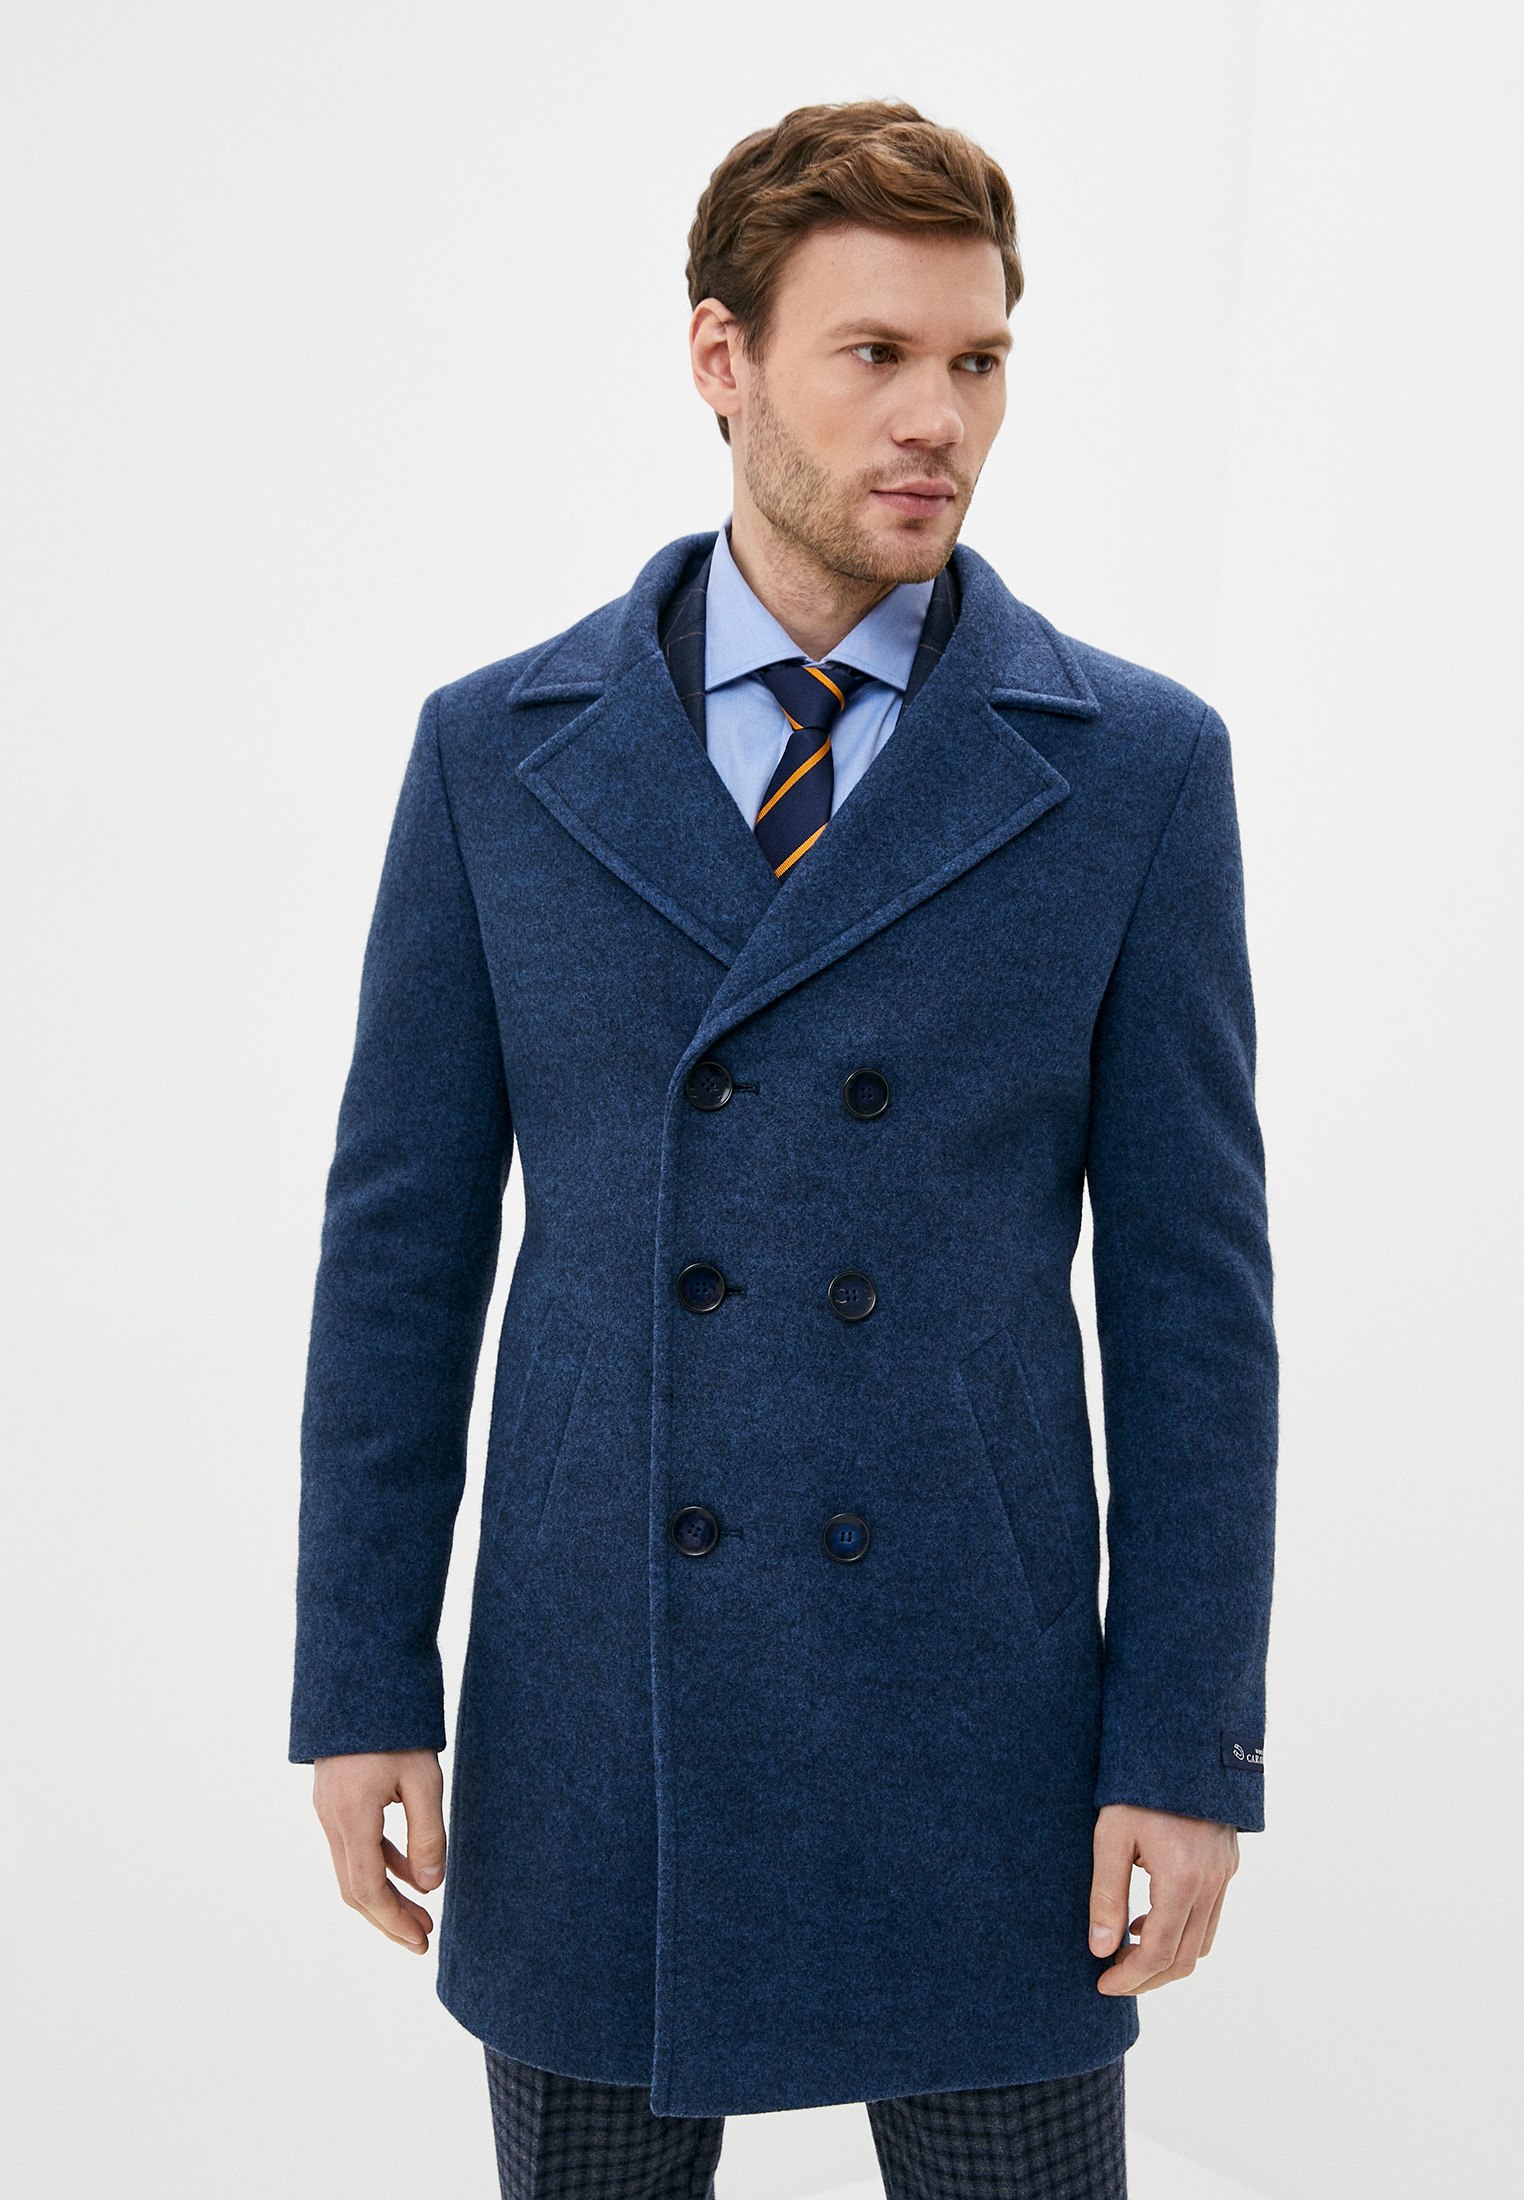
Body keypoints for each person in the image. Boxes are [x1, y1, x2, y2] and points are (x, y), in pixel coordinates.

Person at [289, 98, 1278, 2200]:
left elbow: (1198, 1308)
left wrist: (1187, 1744)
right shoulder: (498, 753)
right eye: (875, 354)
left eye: (978, 360)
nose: (938, 419)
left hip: (980, 1709)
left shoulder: (1133, 767)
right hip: (600, 1701)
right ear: (721, 358)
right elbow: (399, 1252)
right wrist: (361, 1675)